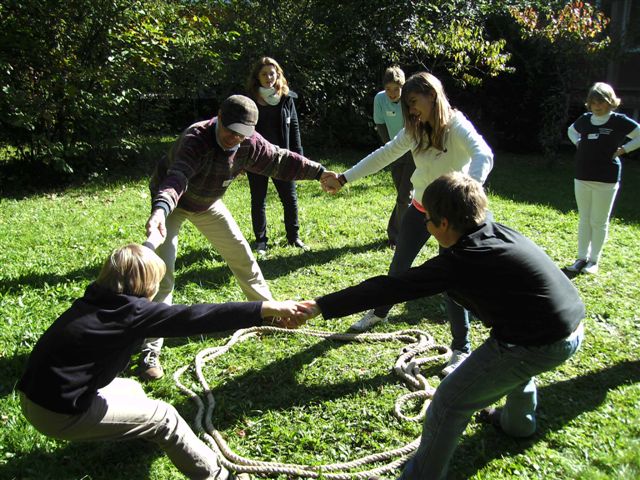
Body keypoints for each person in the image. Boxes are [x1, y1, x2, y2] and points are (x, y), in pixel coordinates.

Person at [303, 172, 585, 480]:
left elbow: (390, 288)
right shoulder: (493, 230)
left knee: (449, 404)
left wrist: (320, 305)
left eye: (428, 220)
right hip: (569, 327)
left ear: (445, 224)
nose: (426, 225)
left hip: (537, 343)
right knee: (513, 370)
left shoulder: (462, 261)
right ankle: (518, 425)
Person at [17, 243, 309, 480]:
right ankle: (218, 476)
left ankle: (133, 434)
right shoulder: (132, 314)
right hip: (60, 414)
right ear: (145, 285)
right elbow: (199, 316)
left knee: (131, 389)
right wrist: (267, 307)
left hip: (34, 397)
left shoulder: (96, 301)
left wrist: (152, 238)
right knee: (164, 417)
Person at [143, 94, 329, 380]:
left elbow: (280, 160)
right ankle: (150, 348)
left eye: (242, 134)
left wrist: (320, 173)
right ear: (219, 117)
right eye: (230, 131)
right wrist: (159, 211)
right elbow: (176, 178)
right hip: (173, 205)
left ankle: (271, 315)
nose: (234, 139)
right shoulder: (196, 139)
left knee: (242, 256)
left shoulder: (249, 144)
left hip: (208, 204)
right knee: (162, 274)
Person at [322, 72, 493, 376]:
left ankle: (461, 348)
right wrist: (345, 178)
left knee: (451, 281)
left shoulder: (457, 125)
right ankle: (380, 312)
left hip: (451, 216)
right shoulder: (414, 130)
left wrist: (468, 191)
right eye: (407, 105)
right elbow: (384, 154)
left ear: (432, 95)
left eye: (414, 102)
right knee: (399, 266)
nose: (411, 110)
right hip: (420, 208)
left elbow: (484, 154)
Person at [565, 82, 640, 275]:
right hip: (582, 176)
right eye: (593, 102)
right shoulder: (585, 119)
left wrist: (624, 149)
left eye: (601, 102)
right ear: (589, 103)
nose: (597, 106)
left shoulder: (618, 121)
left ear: (610, 102)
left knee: (599, 221)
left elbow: (639, 135)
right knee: (584, 219)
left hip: (606, 178)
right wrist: (578, 142)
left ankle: (593, 261)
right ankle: (581, 258)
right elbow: (571, 130)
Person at [245, 57, 308, 254]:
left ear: (277, 74)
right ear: (257, 77)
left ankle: (293, 237)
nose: (268, 77)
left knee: (290, 198)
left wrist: (299, 158)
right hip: (257, 158)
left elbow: (294, 128)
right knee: (258, 199)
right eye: (264, 74)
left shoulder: (287, 98)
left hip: (283, 157)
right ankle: (261, 241)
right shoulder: (250, 99)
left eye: (272, 73)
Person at [373, 66, 415, 248]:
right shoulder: (380, 99)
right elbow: (380, 124)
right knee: (403, 196)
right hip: (394, 151)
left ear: (403, 87)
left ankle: (396, 237)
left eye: (396, 89)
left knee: (404, 196)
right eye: (388, 89)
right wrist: (390, 150)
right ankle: (413, 226)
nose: (392, 93)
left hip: (414, 150)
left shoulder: (410, 100)